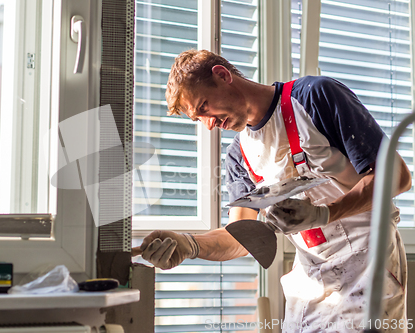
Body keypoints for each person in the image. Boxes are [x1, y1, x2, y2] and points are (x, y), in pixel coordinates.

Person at [134, 49, 412, 332]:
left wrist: (324, 215)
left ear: (222, 75)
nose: (209, 124)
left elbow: (398, 177)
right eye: (198, 119)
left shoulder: (315, 97)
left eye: (204, 106)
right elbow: (241, 238)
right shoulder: (239, 155)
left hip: (369, 266)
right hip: (311, 283)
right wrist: (189, 244)